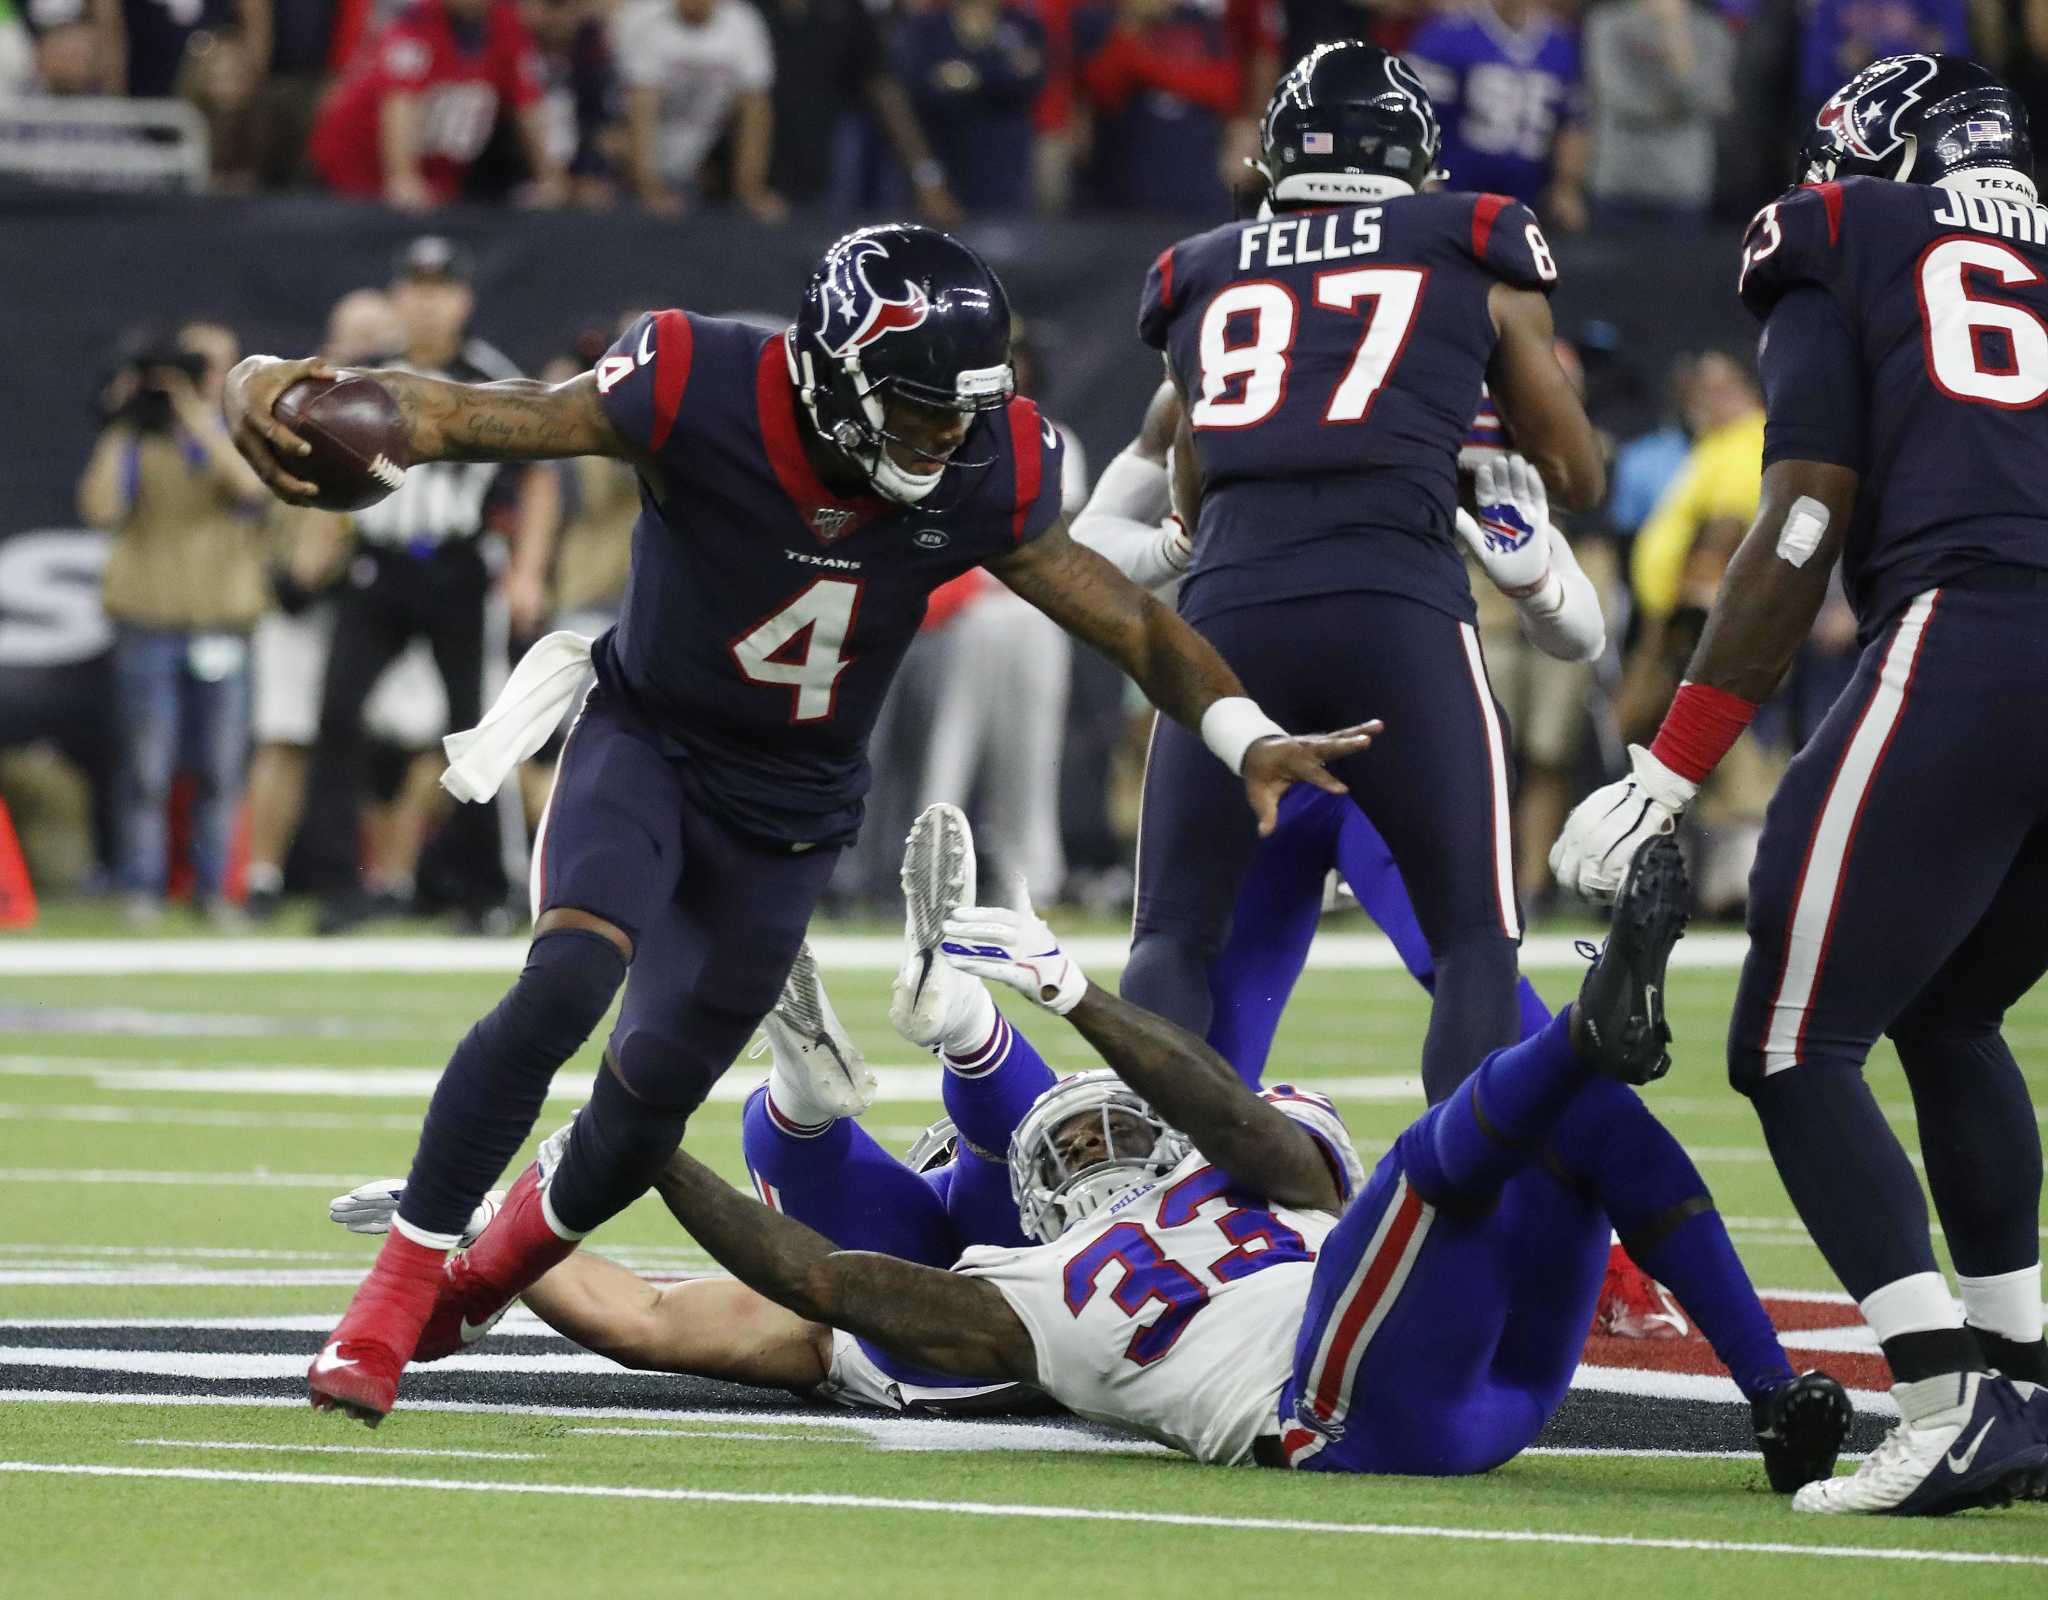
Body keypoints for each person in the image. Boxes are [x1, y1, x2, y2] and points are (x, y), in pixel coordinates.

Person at [227, 221, 1372, 1425]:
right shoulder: (692, 382)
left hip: (792, 809)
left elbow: (1133, 627)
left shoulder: (987, 466)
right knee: (569, 975)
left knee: (649, 1098)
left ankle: (475, 1285)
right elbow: (466, 414)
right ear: (835, 377)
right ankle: (395, 1292)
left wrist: (1247, 733)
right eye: (924, 409)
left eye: (967, 409)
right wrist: (280, 385)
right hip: (649, 742)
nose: (952, 437)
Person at [330, 805, 1848, 1468]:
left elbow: (1235, 1123)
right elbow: (813, 1287)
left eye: (1100, 1134)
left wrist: (1077, 997)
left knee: (1589, 1124)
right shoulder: (1038, 1288)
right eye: (1064, 1154)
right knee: (1441, 1155)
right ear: (1037, 1195)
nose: (1097, 1156)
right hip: (1346, 1404)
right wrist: (619, 1158)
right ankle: (1580, 1028)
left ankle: (1777, 1398)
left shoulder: (1235, 1161)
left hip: (1462, 1358)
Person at [1550, 54, 2048, 1514]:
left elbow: (1807, 503)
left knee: (1785, 1038)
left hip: (1977, 626)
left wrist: (1670, 761)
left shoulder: (1842, 227)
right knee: (1952, 1011)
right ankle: (2024, 1377)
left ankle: (1952, 1397)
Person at [1121, 41, 1602, 1110]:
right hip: (1397, 605)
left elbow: (1191, 500)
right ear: (1414, 157)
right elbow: (1573, 471)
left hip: (1228, 615)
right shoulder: (1470, 240)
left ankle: (1132, 1218)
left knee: (1171, 936)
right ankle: (1453, 1223)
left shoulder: (1198, 266)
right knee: (1475, 938)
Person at [296, 238, 551, 935]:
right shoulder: (366, 375)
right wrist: (316, 547)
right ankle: (339, 886)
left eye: (441, 288)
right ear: (396, 295)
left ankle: (490, 890)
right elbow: (324, 469)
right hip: (378, 563)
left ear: (464, 299)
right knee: (337, 716)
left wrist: (527, 571)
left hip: (460, 566)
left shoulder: (487, 376)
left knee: (478, 727)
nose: (427, 300)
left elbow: (538, 473)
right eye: (414, 286)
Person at [76, 320, 270, 926]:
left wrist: (198, 417)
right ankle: (142, 887)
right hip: (149, 620)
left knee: (220, 767)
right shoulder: (135, 438)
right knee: (146, 767)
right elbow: (101, 510)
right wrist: (121, 423)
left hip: (223, 618)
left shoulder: (243, 434)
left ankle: (214, 891)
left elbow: (249, 490)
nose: (197, 380)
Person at [306, 0, 567, 210]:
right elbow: (400, 104)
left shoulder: (507, 27)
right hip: (352, 170)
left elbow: (530, 106)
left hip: (438, 180)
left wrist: (549, 178)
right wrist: (403, 177)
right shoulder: (417, 23)